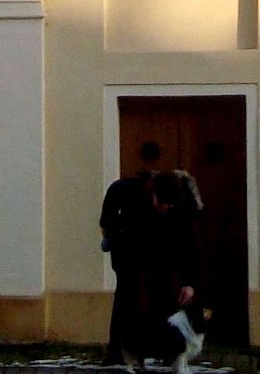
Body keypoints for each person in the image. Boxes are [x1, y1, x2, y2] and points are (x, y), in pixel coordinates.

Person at [99, 143, 201, 367]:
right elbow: (106, 220)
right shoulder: (125, 191)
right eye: (161, 203)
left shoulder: (181, 207)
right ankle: (118, 352)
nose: (163, 208)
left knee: (164, 302)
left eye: (168, 206)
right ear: (152, 193)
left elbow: (188, 245)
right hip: (129, 256)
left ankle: (166, 350)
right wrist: (116, 236)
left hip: (162, 259)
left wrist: (189, 282)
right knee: (126, 300)